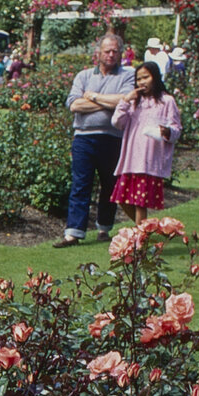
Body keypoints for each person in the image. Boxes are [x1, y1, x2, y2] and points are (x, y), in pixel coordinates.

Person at [56, 33, 134, 247]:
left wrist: (93, 97)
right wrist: (108, 103)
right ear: (98, 53)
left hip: (113, 138)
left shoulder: (128, 75)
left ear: (120, 53)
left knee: (110, 185)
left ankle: (104, 229)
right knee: (81, 184)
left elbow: (125, 100)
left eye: (115, 51)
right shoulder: (83, 76)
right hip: (83, 137)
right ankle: (74, 233)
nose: (111, 55)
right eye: (107, 51)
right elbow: (73, 105)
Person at [109, 60, 181, 225]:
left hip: (149, 161)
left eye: (146, 77)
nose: (142, 82)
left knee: (140, 204)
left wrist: (168, 131)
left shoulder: (167, 101)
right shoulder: (134, 102)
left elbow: (176, 129)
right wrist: (125, 101)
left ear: (155, 78)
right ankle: (145, 230)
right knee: (122, 199)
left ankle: (140, 243)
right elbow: (117, 123)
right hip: (131, 159)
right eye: (139, 79)